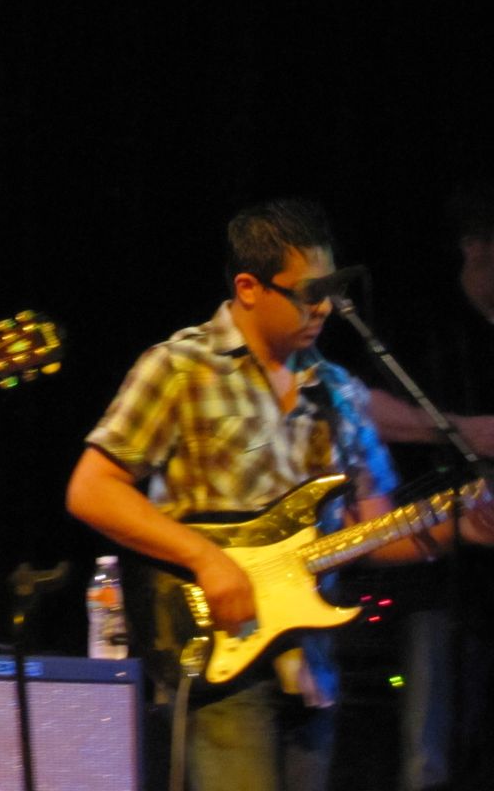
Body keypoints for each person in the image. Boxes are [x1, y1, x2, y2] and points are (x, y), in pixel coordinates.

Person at [65, 198, 494, 791]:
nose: (324, 308)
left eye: (330, 291)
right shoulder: (180, 367)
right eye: (306, 293)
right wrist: (206, 559)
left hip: (312, 669)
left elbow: (369, 534)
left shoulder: (337, 391)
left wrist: (461, 526)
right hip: (220, 657)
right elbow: (91, 490)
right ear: (249, 287)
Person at [367, 184, 494, 791]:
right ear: (475, 248)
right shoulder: (422, 329)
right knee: (429, 758)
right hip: (437, 578)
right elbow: (359, 411)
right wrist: (466, 432)